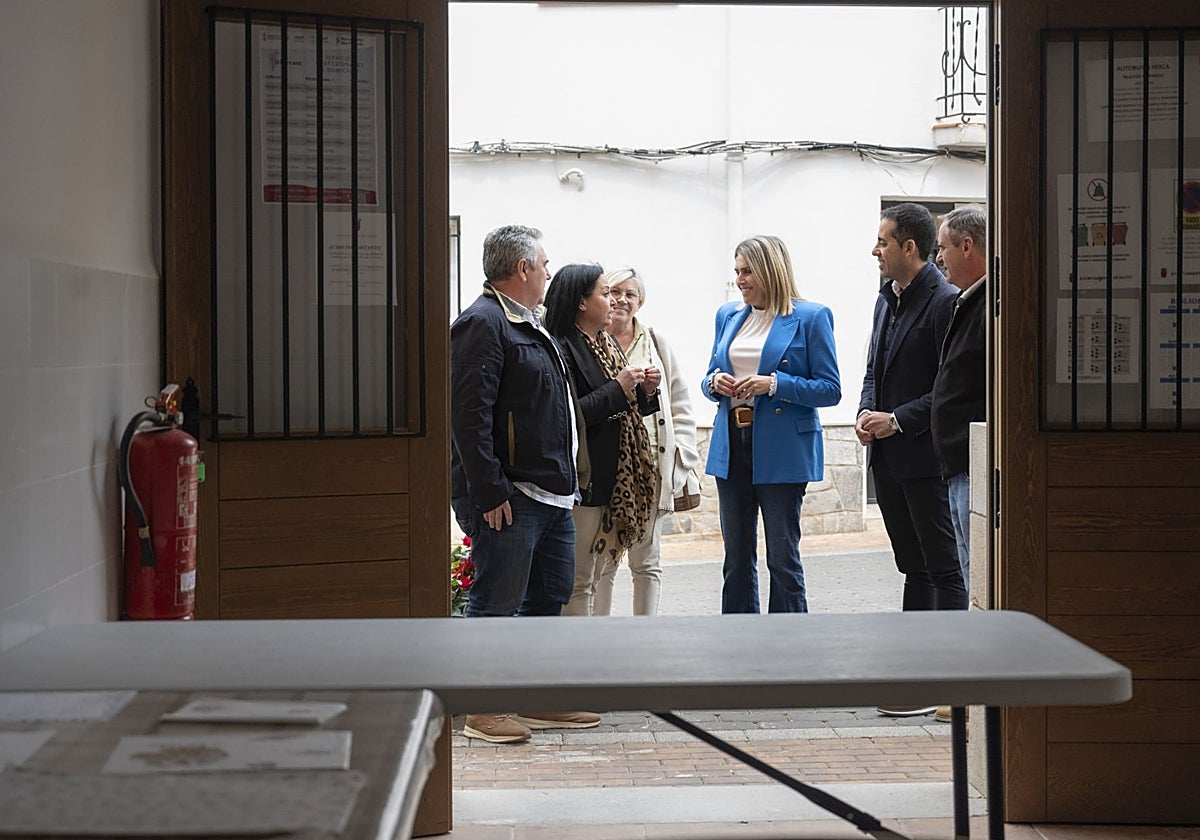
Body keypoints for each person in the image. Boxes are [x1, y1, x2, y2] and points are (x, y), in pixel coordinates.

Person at [449, 225, 600, 743]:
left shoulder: (528, 323)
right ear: (522, 269)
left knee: (548, 596)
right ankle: (482, 710)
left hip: (552, 493)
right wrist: (489, 491)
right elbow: (469, 416)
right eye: (544, 264)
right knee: (497, 601)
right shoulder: (483, 323)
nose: (548, 273)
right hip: (512, 496)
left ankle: (537, 698)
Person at [856, 204, 963, 717]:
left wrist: (895, 419)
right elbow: (873, 367)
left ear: (909, 248)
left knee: (943, 568)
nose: (874, 250)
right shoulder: (885, 300)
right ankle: (913, 679)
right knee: (912, 566)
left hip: (925, 457)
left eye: (882, 241)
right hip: (888, 459)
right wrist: (863, 411)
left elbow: (948, 388)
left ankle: (946, 682)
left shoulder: (944, 303)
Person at [701, 235, 841, 614]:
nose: (740, 280)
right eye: (737, 272)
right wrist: (714, 383)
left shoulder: (811, 317)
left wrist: (775, 384)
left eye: (748, 271)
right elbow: (710, 375)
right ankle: (740, 643)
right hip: (732, 443)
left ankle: (790, 645)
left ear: (770, 270)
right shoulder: (728, 315)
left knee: (782, 559)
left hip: (782, 449)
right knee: (736, 558)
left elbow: (830, 390)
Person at [542, 264, 661, 616]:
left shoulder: (605, 341)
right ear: (581, 302)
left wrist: (645, 392)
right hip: (584, 476)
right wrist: (619, 387)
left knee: (597, 576)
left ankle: (591, 653)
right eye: (605, 293)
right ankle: (579, 662)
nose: (613, 302)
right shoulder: (560, 346)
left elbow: (622, 408)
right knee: (579, 580)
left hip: (611, 476)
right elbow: (568, 416)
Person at [597, 267, 701, 616]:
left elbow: (681, 402)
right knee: (604, 560)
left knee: (647, 559)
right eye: (613, 291)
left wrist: (682, 456)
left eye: (630, 294)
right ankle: (600, 638)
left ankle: (646, 633)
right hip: (607, 465)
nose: (621, 300)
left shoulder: (656, 343)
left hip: (651, 468)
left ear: (640, 301)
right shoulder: (591, 340)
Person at [931, 205, 988, 594]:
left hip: (975, 465)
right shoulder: (968, 300)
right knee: (969, 573)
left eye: (943, 247)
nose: (938, 258)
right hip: (957, 464)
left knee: (977, 577)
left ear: (967, 246)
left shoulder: (993, 305)